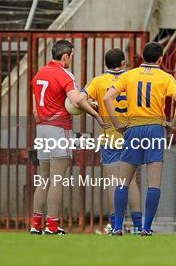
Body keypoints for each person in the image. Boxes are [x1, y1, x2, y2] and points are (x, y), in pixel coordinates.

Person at [104, 42, 176, 236]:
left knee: (123, 181)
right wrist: (173, 124)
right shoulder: (165, 77)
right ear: (160, 60)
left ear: (142, 57)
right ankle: (146, 228)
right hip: (155, 129)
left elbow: (108, 98)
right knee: (154, 182)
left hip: (133, 128)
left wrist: (116, 124)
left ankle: (117, 227)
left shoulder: (128, 75)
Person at [30, 40, 109, 235]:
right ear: (65, 57)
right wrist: (95, 113)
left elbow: (35, 110)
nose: (72, 59)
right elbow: (75, 100)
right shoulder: (64, 74)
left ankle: (35, 224)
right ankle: (52, 226)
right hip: (58, 129)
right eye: (72, 56)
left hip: (42, 129)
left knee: (43, 179)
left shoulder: (39, 73)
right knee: (57, 179)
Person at [82, 48, 142, 234]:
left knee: (114, 182)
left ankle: (116, 226)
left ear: (106, 64)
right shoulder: (132, 78)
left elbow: (78, 100)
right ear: (123, 63)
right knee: (131, 182)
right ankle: (139, 227)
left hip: (111, 137)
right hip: (131, 135)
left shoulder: (98, 81)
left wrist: (95, 111)